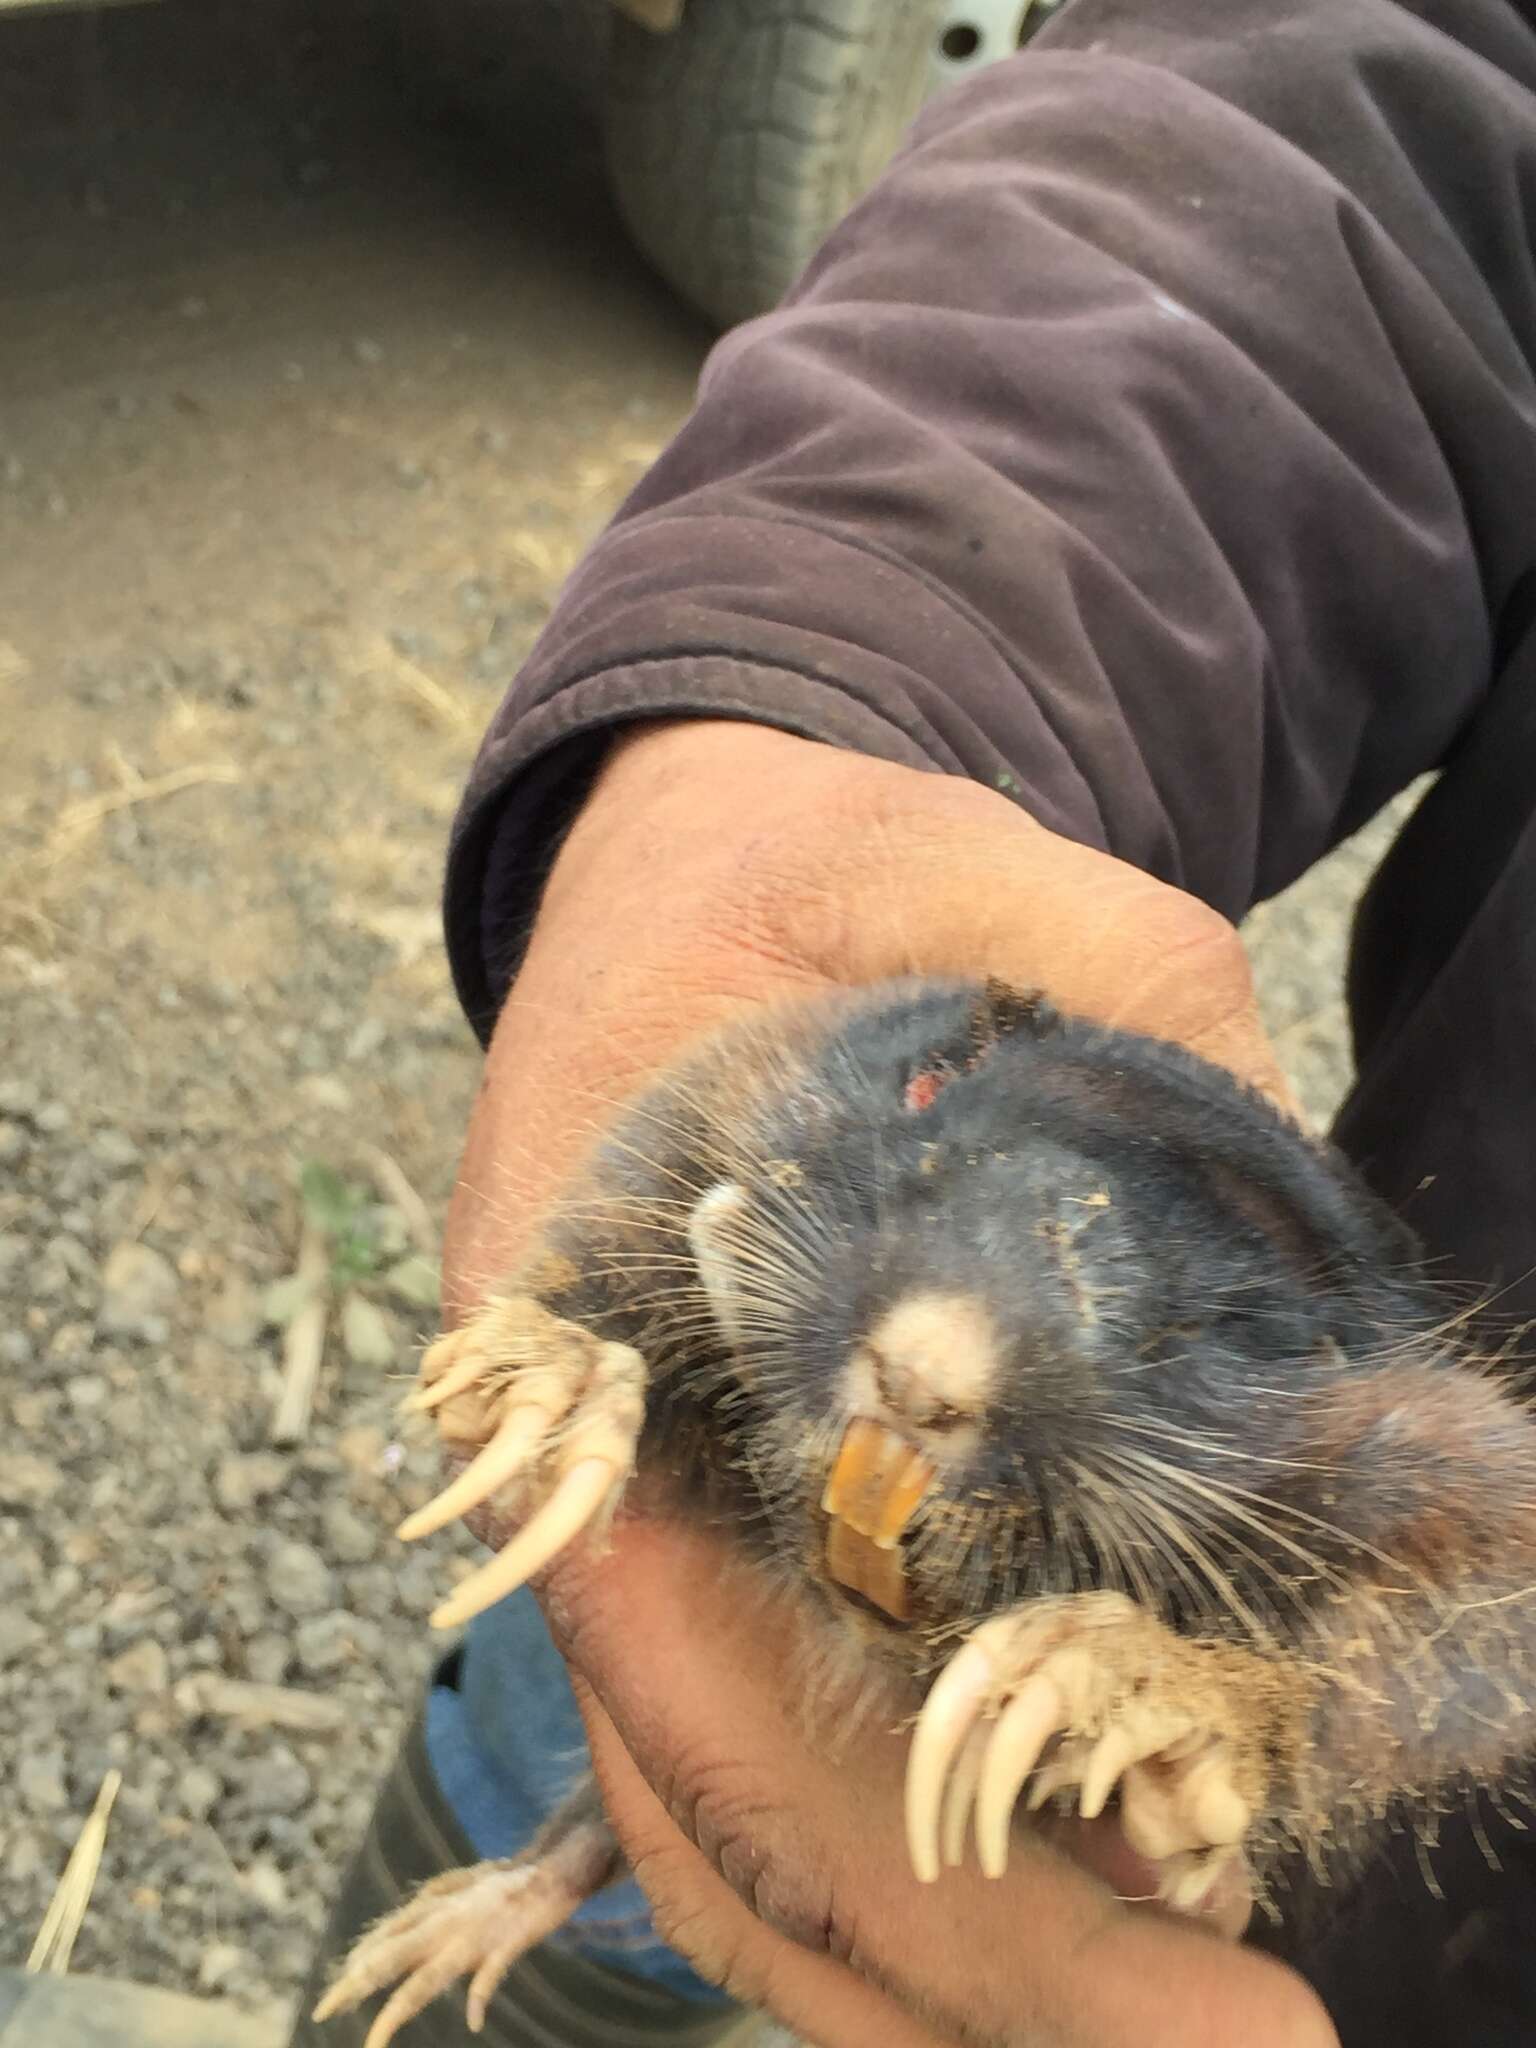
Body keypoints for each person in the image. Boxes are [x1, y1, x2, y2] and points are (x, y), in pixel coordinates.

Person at [291, 0, 1536, 2042]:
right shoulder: (864, 1217)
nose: (929, 1359)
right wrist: (827, 665)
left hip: (1276, 1757)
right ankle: (516, 1918)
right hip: (1047, 1415)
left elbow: (1452, 1602)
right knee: (632, 1576)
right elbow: (1411, 82)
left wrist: (1223, 1699)